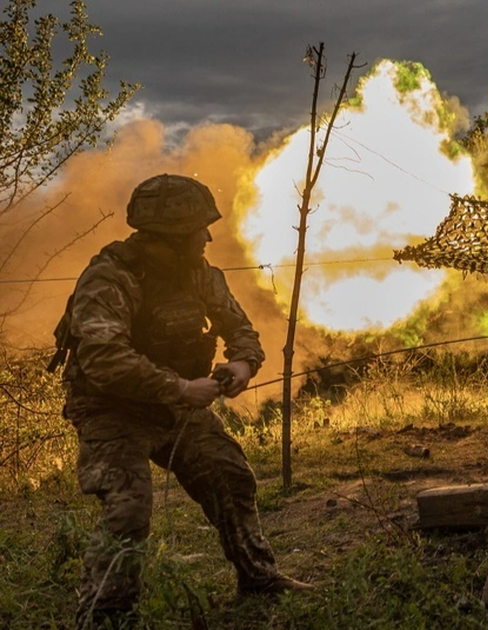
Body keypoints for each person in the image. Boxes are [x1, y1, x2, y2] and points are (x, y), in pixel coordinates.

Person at [50, 174, 312, 629]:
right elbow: (103, 359)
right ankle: (106, 616)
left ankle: (259, 577)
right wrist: (181, 388)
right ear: (167, 237)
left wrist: (242, 367)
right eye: (198, 228)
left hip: (174, 407)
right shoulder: (111, 276)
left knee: (231, 477)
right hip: (111, 410)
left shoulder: (201, 275)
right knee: (128, 510)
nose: (208, 236)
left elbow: (242, 331)